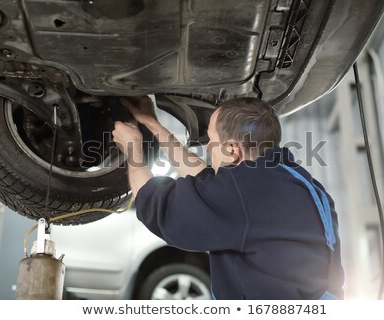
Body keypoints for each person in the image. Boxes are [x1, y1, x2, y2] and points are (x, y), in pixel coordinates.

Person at [112, 96, 345, 300]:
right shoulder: (299, 182)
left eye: (212, 142)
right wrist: (151, 123)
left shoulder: (245, 191)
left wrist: (133, 148)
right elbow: (206, 181)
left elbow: (156, 205)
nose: (208, 149)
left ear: (233, 150)